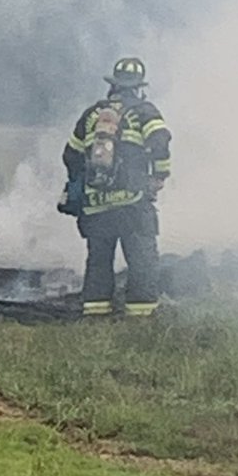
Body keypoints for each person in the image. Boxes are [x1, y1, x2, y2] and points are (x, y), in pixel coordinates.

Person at [61, 56, 171, 318]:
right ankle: (140, 319)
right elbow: (160, 143)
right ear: (138, 87)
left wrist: (83, 185)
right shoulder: (145, 112)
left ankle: (95, 317)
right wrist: (159, 176)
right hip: (132, 204)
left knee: (98, 263)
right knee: (142, 262)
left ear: (113, 85)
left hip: (96, 206)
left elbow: (70, 155)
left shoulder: (91, 115)